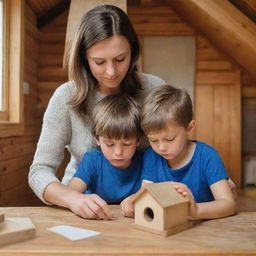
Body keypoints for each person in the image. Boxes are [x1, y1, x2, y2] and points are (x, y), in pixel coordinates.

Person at [28, 5, 165, 219]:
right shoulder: (66, 97)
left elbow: (177, 148)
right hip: (78, 206)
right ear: (84, 58)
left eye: (120, 59)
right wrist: (73, 199)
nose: (111, 72)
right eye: (99, 62)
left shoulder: (154, 89)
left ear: (133, 52)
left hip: (144, 208)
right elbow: (39, 172)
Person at [126, 85, 236, 219]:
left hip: (206, 230)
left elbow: (229, 204)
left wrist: (196, 210)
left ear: (189, 128)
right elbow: (147, 194)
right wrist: (133, 201)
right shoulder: (151, 155)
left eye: (169, 139)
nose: (161, 147)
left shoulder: (207, 156)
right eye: (153, 140)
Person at [68, 93, 143, 219]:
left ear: (138, 140)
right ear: (97, 139)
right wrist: (79, 200)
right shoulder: (92, 161)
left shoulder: (146, 161)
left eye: (126, 144)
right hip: (94, 221)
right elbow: (71, 193)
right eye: (109, 144)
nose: (118, 152)